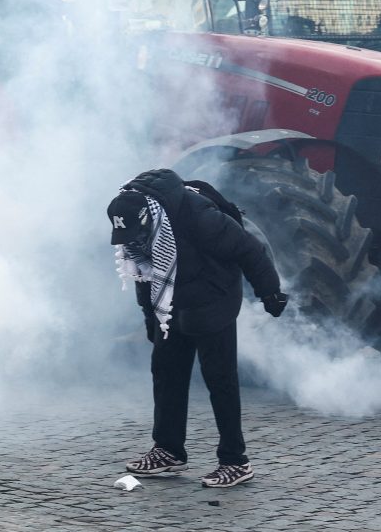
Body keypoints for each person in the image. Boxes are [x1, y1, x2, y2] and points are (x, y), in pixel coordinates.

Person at [107, 168, 288, 488]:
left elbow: (249, 249)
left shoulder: (197, 216)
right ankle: (168, 450)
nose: (134, 241)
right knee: (166, 372)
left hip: (213, 296)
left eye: (138, 234)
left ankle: (235, 461)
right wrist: (151, 318)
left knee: (220, 380)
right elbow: (143, 274)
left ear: (149, 219)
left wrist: (269, 293)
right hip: (170, 300)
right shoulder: (137, 223)